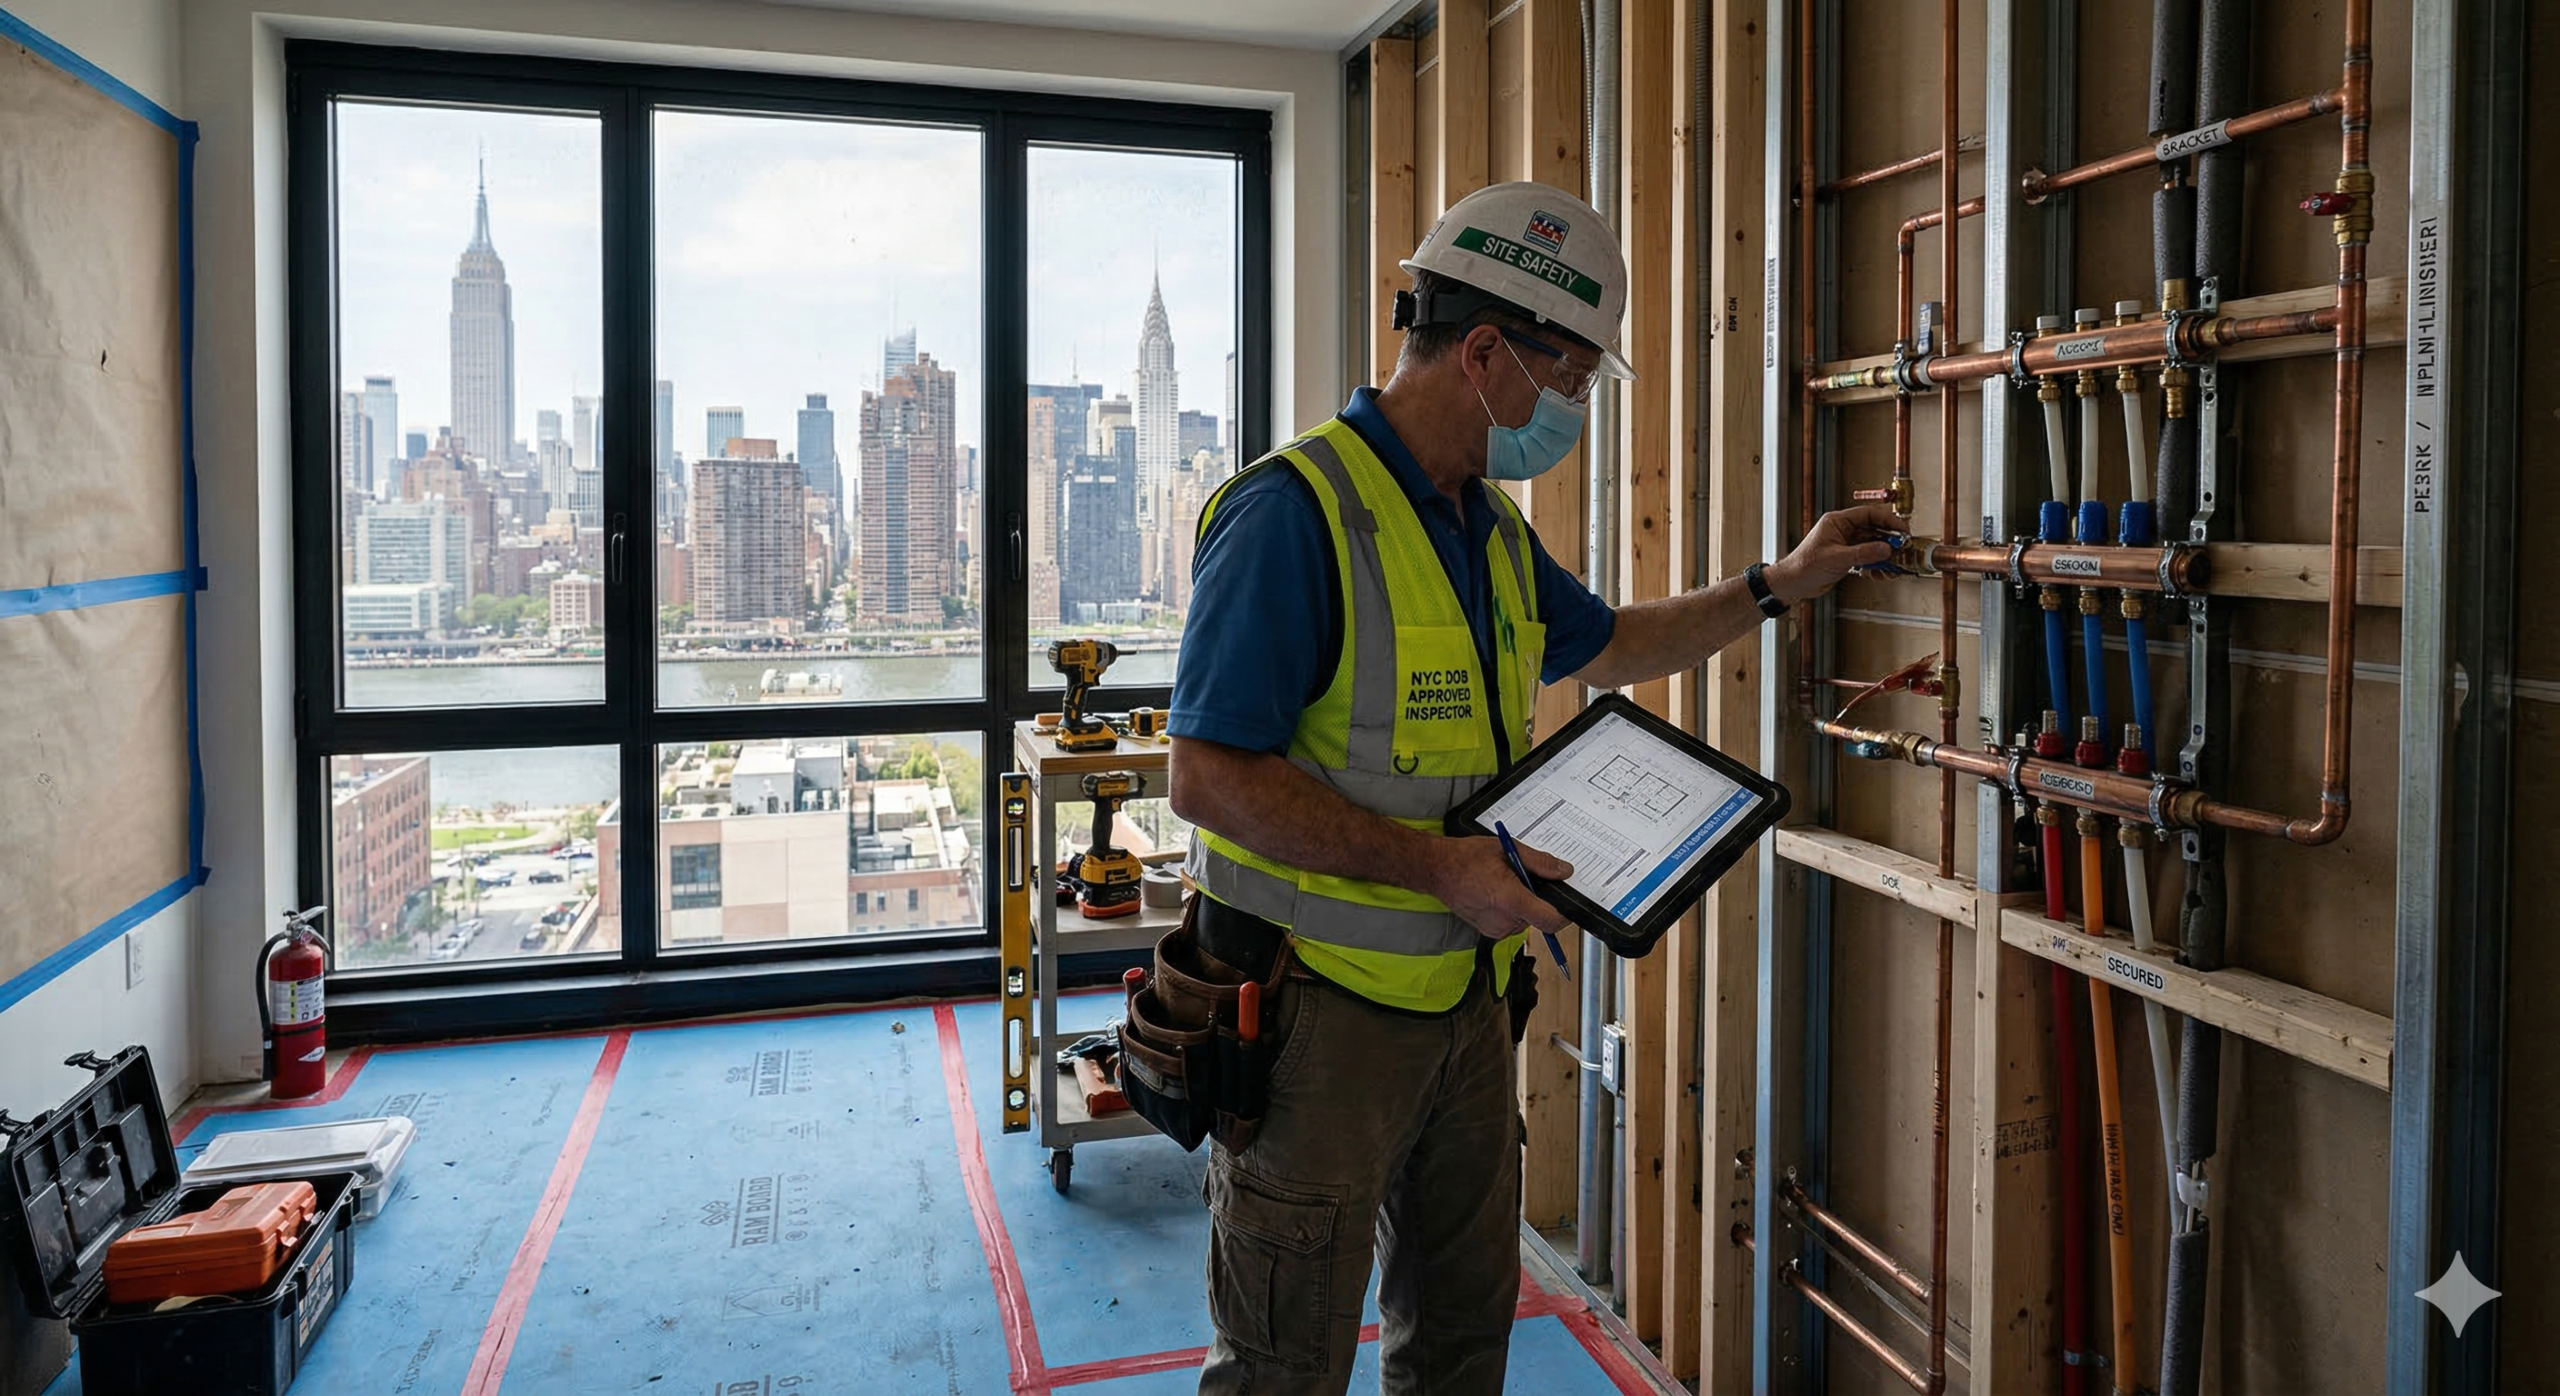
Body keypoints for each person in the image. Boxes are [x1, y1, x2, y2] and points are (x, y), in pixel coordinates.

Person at [1166, 180, 1904, 1395]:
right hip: (1315, 1025)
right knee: (1278, 1366)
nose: (1568, 408)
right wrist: (1438, 866)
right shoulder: (1293, 514)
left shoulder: (1488, 531)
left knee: (1458, 1345)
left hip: (1464, 1008)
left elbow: (1612, 642)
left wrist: (1776, 586)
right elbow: (1204, 777)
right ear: (1487, 351)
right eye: (1566, 378)